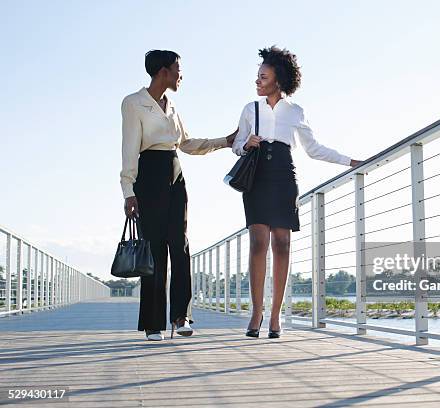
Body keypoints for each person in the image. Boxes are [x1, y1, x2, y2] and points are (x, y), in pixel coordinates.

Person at [232, 46, 362, 338]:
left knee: (282, 244)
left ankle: (275, 317)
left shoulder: (296, 111)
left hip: (283, 175)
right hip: (257, 176)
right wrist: (246, 143)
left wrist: (349, 161)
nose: (257, 81)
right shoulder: (250, 109)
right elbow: (237, 144)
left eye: (263, 76)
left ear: (278, 79)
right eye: (257, 76)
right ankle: (256, 313)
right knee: (257, 243)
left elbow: (313, 149)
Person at [121, 50, 237, 341]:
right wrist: (128, 191)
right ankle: (153, 323)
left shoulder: (171, 105)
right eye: (177, 69)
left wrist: (225, 141)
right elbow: (129, 149)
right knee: (155, 249)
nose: (180, 75)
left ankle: (181, 316)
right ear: (163, 71)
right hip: (149, 175)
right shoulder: (134, 103)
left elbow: (186, 143)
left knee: (180, 244)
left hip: (175, 175)